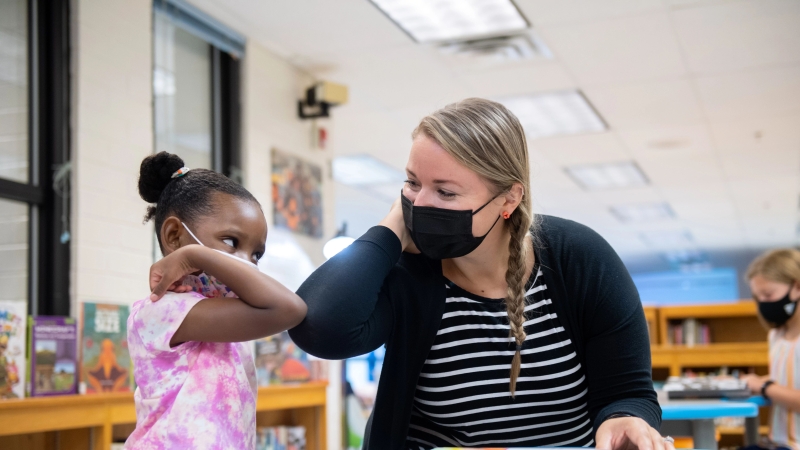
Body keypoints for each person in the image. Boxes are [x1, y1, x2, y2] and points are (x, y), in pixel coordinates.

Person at [287, 98, 669, 449]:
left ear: (508, 198)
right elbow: (320, 328)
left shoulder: (578, 257)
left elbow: (629, 390)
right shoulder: (408, 273)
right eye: (413, 182)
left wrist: (625, 419)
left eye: (446, 192)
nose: (420, 203)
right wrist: (390, 230)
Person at [125, 152, 307, 449]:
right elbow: (290, 309)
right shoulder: (162, 310)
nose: (247, 263)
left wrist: (203, 254)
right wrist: (194, 255)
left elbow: (288, 307)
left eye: (256, 255)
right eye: (232, 242)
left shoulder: (231, 313)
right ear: (174, 236)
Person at [742, 249, 800, 450]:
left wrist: (765, 387)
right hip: (777, 443)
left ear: (797, 287)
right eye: (758, 298)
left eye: (768, 294)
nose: (763, 304)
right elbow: (787, 378)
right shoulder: (776, 336)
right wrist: (749, 381)